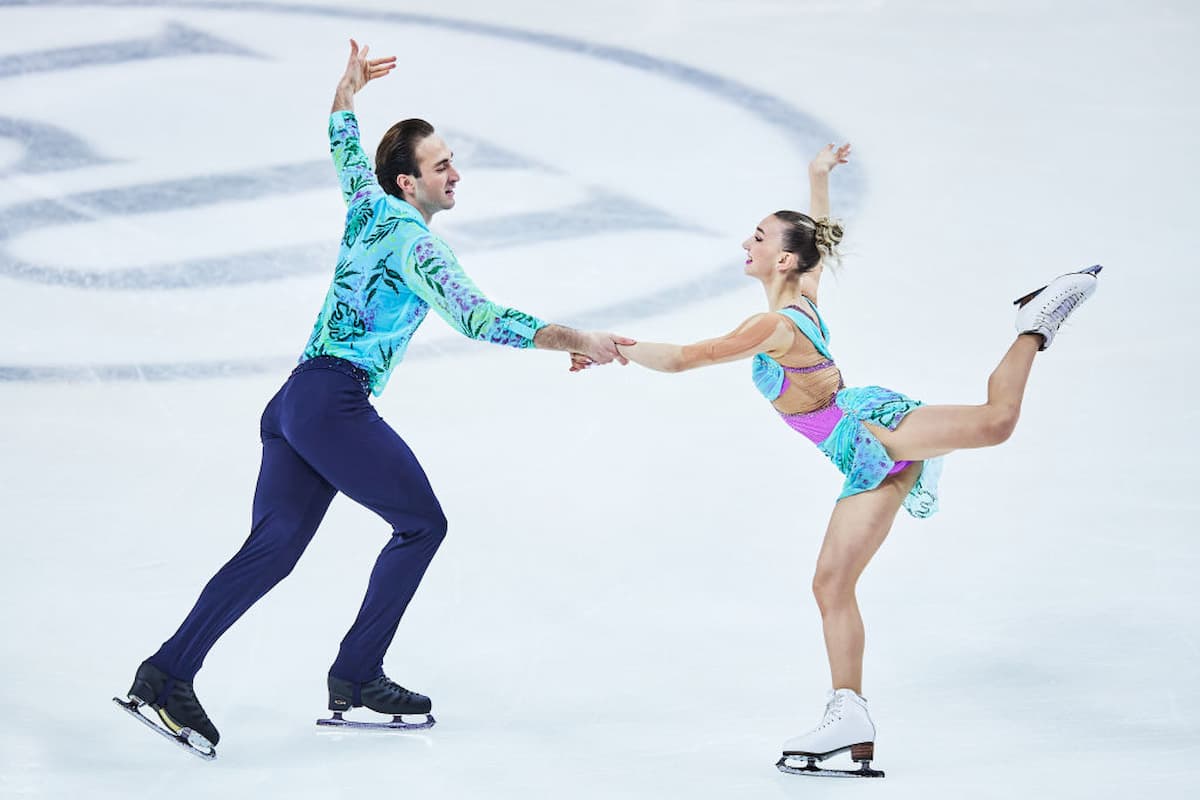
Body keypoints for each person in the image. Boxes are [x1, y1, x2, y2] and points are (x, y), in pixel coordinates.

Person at [118, 40, 633, 757]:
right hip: (333, 403)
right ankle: (356, 674)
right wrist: (581, 336)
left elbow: (342, 146)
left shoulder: (367, 203)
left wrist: (348, 90)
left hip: (295, 402)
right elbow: (478, 318)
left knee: (272, 550)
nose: (455, 173)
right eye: (440, 165)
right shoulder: (415, 245)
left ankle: (166, 672)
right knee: (422, 526)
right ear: (407, 181)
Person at [591, 143, 1100, 774]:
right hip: (865, 459)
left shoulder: (770, 326)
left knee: (996, 422)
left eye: (756, 237)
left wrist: (613, 346)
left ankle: (1038, 320)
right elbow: (819, 243)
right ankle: (849, 713)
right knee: (831, 582)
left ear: (780, 258)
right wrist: (817, 176)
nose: (743, 244)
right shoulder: (800, 293)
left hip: (875, 428)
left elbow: (684, 358)